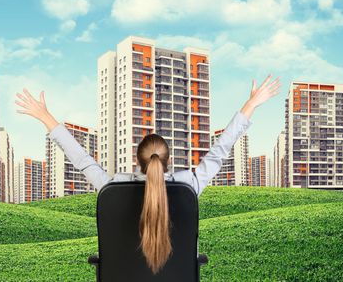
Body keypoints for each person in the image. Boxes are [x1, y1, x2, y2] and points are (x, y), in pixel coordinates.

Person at [15, 73, 281, 274]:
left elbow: (81, 159)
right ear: (169, 162)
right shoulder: (189, 185)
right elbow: (221, 150)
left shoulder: (113, 188)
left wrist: (45, 116)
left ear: (136, 161)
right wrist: (251, 103)